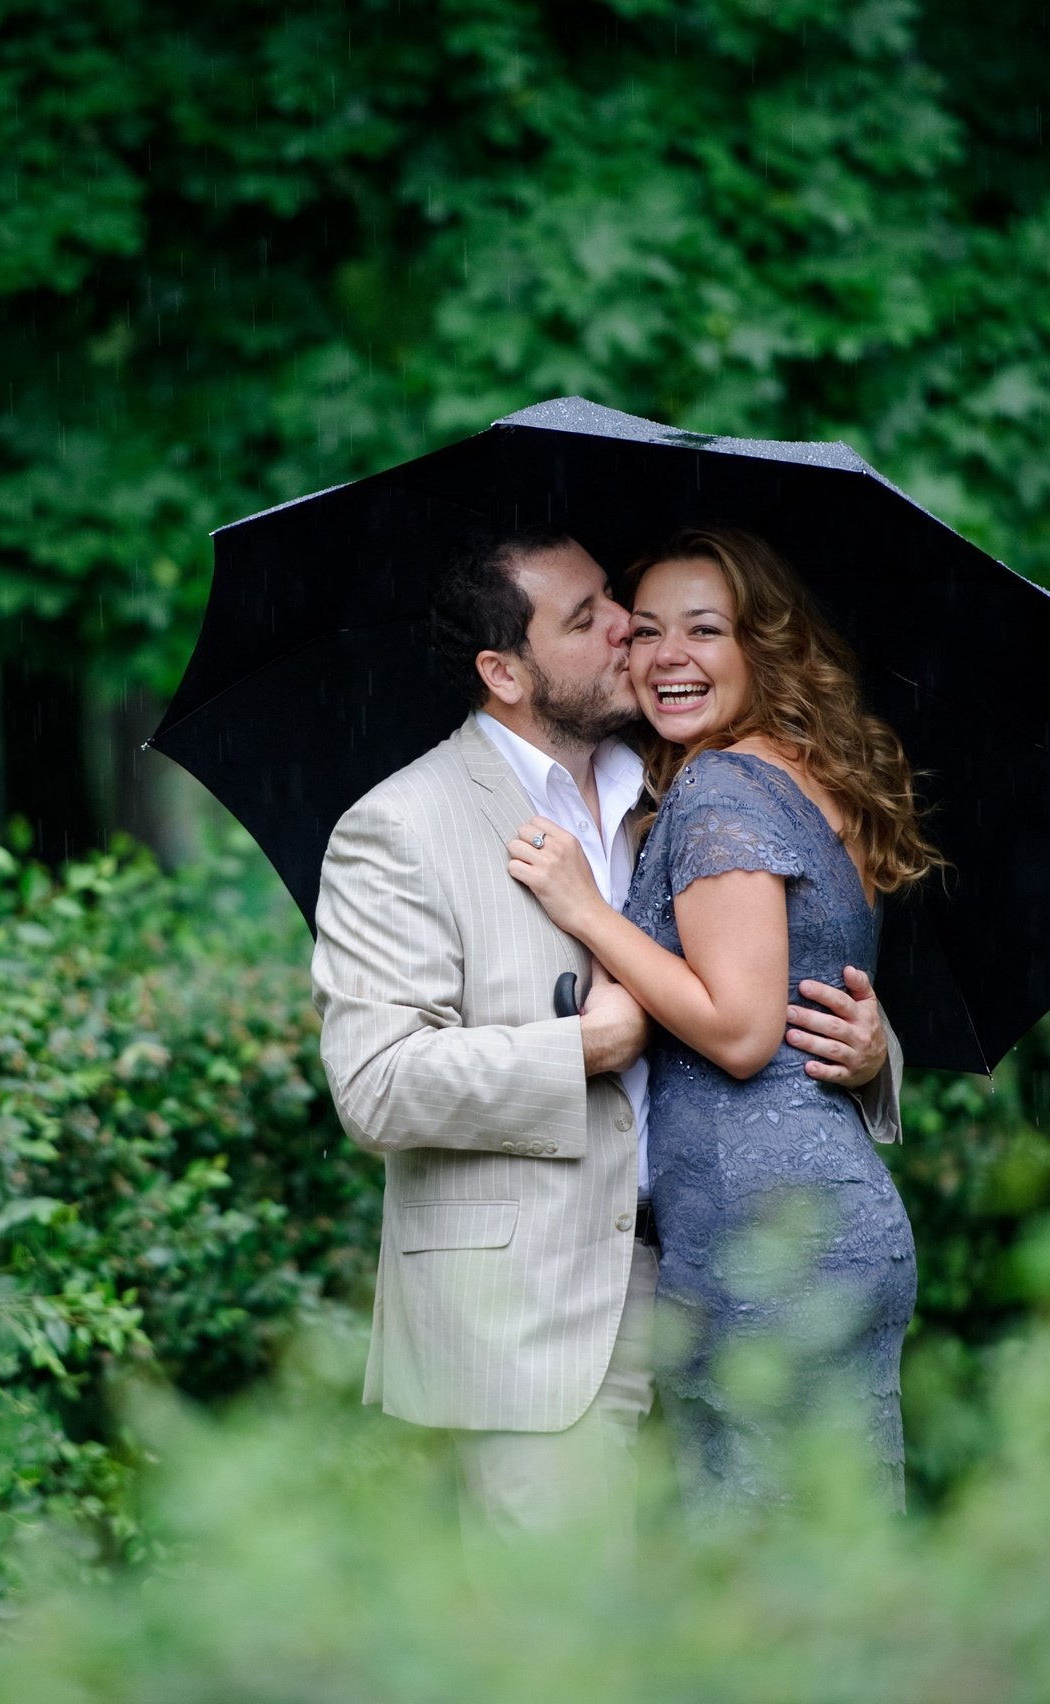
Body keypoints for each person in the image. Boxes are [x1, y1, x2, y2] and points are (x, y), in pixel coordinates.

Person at [311, 522, 902, 1555]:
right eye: (589, 618)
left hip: (710, 1262)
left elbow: (759, 979)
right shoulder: (401, 825)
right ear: (504, 671)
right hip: (533, 1300)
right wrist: (580, 1049)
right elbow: (374, 1084)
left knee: (731, 1598)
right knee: (563, 1635)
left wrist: (873, 1048)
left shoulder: (674, 786)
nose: (628, 629)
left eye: (612, 602)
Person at [503, 524, 939, 1513]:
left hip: (764, 1243)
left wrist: (584, 913)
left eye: (704, 629)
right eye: (644, 631)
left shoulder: (719, 789)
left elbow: (741, 1034)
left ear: (762, 646)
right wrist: (877, 1060)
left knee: (755, 1576)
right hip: (829, 1220)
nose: (668, 657)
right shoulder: (803, 777)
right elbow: (805, 1002)